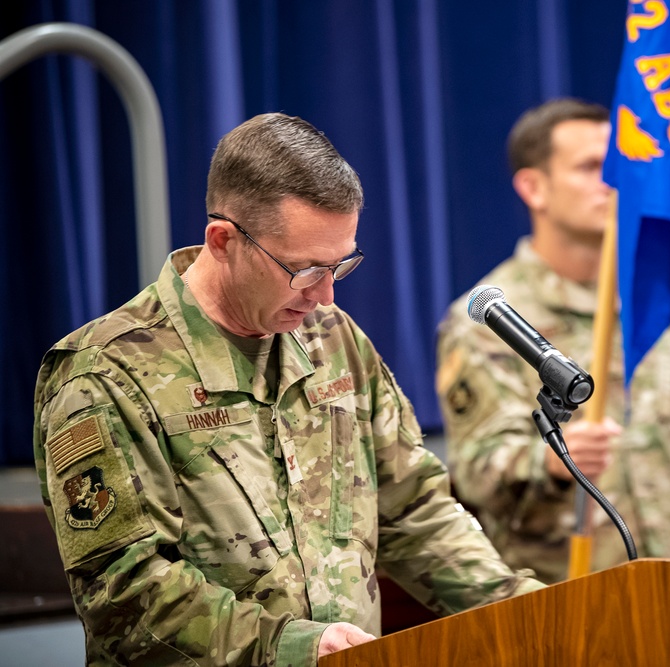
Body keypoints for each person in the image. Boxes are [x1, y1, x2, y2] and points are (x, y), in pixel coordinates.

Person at [33, 113, 543, 666]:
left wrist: (518, 606)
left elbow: (413, 508)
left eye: (340, 265)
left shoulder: (333, 339)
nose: (325, 297)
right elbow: (124, 592)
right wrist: (294, 647)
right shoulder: (107, 373)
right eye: (303, 270)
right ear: (223, 241)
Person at [435, 98, 670, 584]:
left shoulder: (655, 305)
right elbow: (475, 472)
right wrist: (551, 460)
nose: (613, 181)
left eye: (620, 165)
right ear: (534, 188)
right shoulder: (492, 318)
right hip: (569, 597)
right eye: (590, 168)